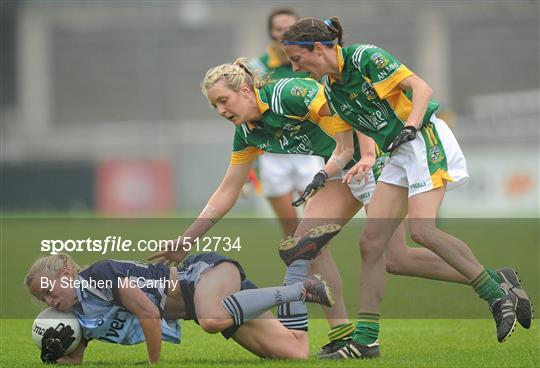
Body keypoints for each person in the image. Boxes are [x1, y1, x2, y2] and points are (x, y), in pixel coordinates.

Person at [150, 60, 530, 358]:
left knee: (396, 258)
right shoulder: (248, 132)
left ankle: (494, 283)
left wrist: (366, 156)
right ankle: (344, 335)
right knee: (304, 246)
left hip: (380, 161)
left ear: (246, 89)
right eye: (214, 105)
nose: (220, 110)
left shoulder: (291, 93)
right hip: (343, 173)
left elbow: (348, 111)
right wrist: (186, 240)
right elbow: (226, 192)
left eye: (223, 101)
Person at [281, 16, 533, 358]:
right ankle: (367, 341)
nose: (297, 68)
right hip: (397, 153)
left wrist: (411, 126)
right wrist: (323, 176)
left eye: (298, 59)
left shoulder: (364, 57)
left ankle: (494, 292)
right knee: (372, 244)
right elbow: (343, 149)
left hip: (424, 137)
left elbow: (422, 88)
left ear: (321, 47)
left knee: (422, 231)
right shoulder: (332, 91)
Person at [25, 252, 335, 364]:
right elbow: (75, 359)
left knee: (211, 319)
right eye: (44, 300)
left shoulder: (99, 277)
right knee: (296, 351)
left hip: (204, 276)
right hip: (217, 303)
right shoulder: (81, 314)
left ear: (66, 275)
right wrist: (54, 353)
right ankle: (298, 263)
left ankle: (300, 290)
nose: (50, 302)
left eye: (49, 291)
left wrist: (153, 363)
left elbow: (149, 313)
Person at [248, 8, 325, 237]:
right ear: (271, 33)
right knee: (290, 232)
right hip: (274, 153)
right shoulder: (256, 68)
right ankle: (299, 274)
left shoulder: (312, 62)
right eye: (279, 30)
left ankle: (318, 273)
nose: (285, 35)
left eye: (290, 29)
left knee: (314, 231)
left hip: (308, 149)